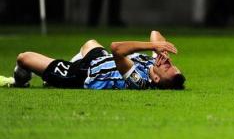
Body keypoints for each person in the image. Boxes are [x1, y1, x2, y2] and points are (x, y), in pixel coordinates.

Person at [0, 31, 186, 90]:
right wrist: (161, 49)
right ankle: (51, 77)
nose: (167, 62)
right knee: (90, 43)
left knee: (24, 58)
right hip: (99, 59)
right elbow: (155, 34)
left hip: (83, 74)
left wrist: (152, 47)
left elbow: (116, 49)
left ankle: (18, 81)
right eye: (171, 63)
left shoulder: (141, 81)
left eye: (168, 67)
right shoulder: (155, 65)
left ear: (156, 80)